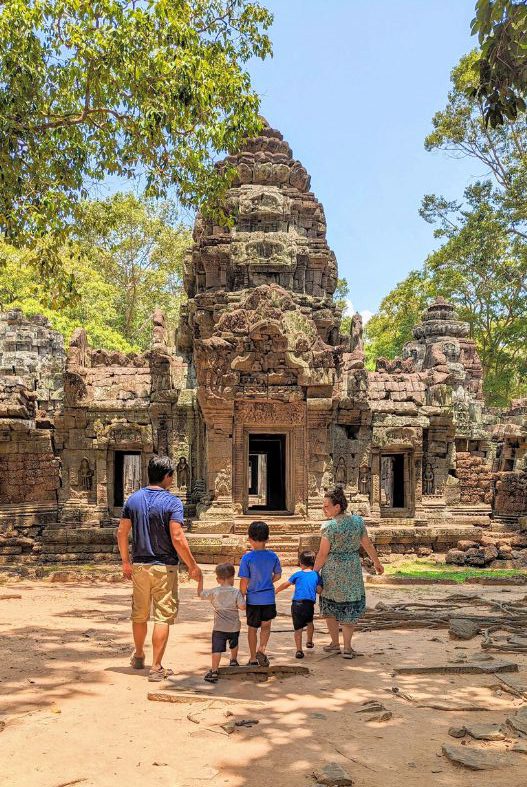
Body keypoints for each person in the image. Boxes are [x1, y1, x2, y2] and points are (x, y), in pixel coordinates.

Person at [117, 455, 202, 682]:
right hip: (165, 566)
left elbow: (122, 532)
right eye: (172, 476)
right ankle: (156, 667)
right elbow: (177, 536)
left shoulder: (132, 500)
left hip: (140, 565)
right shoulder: (172, 502)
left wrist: (126, 562)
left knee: (140, 613)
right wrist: (192, 565)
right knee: (162, 616)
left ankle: (138, 655)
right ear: (167, 476)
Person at [314, 487, 383, 659]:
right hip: (352, 568)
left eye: (326, 506)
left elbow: (322, 554)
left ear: (337, 507)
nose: (324, 510)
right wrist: (377, 562)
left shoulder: (329, 527)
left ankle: (335, 643)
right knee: (349, 606)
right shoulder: (358, 522)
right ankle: (347, 647)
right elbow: (367, 544)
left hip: (333, 569)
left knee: (330, 605)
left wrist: (314, 573)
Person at [238, 520, 282, 667]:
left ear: (249, 538)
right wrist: (268, 581)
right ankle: (262, 649)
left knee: (252, 627)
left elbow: (244, 580)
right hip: (268, 597)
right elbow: (278, 575)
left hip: (253, 599)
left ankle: (252, 657)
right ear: (268, 539)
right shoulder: (273, 556)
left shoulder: (247, 558)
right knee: (266, 626)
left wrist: (241, 597)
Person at [197, 563, 246, 683]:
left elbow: (200, 594)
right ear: (232, 578)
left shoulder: (214, 591)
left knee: (217, 649)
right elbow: (242, 607)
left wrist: (200, 580)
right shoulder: (236, 592)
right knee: (234, 644)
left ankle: (214, 671)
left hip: (219, 627)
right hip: (234, 626)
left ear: (218, 579)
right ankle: (233, 660)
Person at [275, 550, 322, 659]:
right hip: (309, 604)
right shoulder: (316, 575)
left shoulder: (297, 574)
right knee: (310, 622)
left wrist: (276, 590)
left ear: (300, 563)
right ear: (313, 563)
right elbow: (319, 590)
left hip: (296, 603)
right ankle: (309, 641)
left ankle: (299, 650)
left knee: (298, 628)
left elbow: (286, 584)